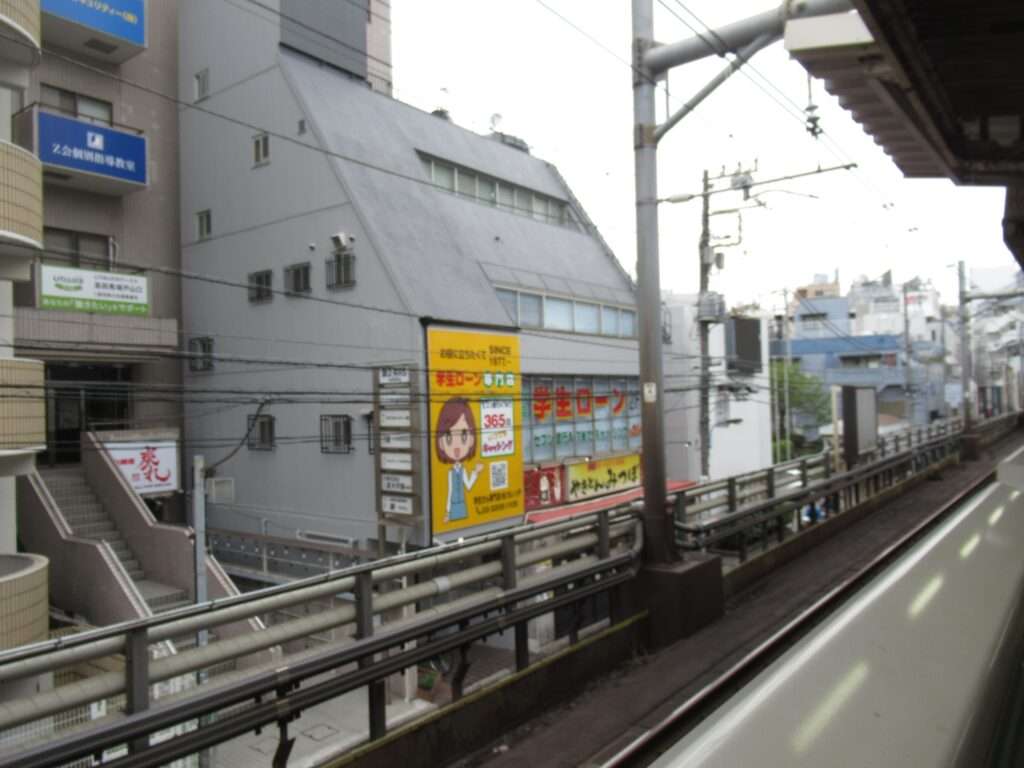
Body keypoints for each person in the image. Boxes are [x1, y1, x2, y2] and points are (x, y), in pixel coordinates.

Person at [436, 398, 483, 523]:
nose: (456, 447)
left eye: (463, 436)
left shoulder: (462, 470)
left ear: (471, 439)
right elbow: (449, 492)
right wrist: (447, 512)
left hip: (462, 505)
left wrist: (476, 472)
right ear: (440, 442)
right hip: (454, 506)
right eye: (449, 438)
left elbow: (468, 485)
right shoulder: (450, 472)